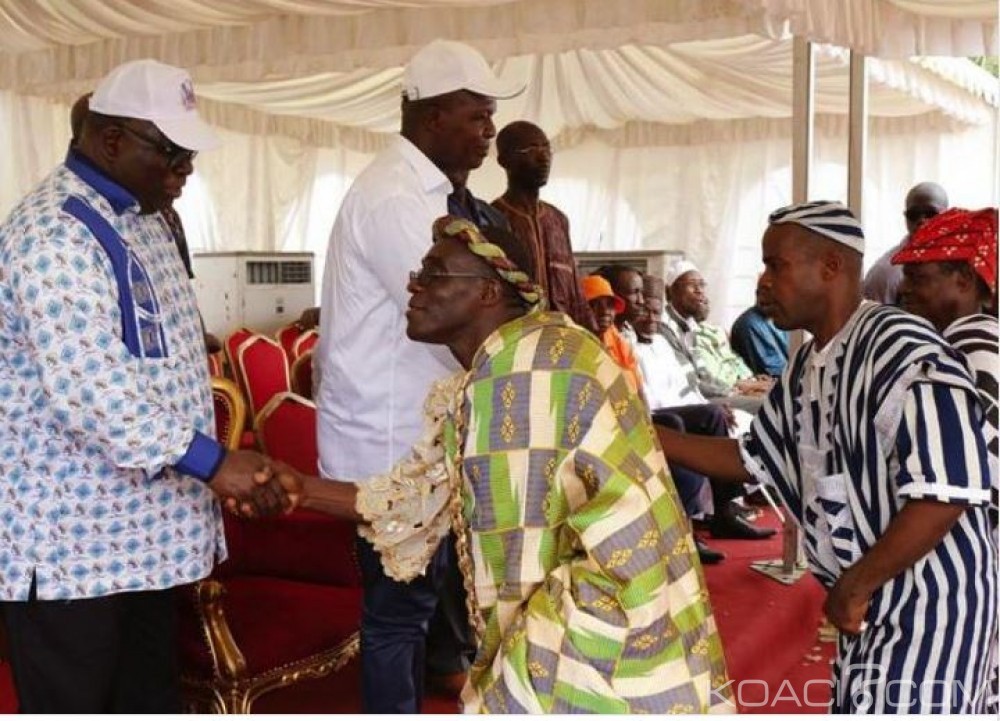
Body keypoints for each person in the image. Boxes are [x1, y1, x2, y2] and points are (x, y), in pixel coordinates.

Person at [277, 216, 734, 713]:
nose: (413, 284)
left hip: (604, 633)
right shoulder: (517, 361)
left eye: (434, 273)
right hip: (618, 615)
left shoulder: (523, 375)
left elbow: (523, 561)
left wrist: (511, 677)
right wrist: (299, 488)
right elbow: (416, 499)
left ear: (488, 293)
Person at [0, 59, 291, 713]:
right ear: (109, 140)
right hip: (74, 546)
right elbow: (91, 388)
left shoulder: (145, 216)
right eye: (171, 154)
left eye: (189, 157)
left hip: (143, 539)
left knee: (147, 698)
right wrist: (214, 461)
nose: (184, 172)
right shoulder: (55, 234)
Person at [657, 200, 998, 713]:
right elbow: (754, 457)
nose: (763, 282)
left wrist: (855, 586)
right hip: (876, 605)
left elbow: (945, 491)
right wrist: (646, 434)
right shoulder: (810, 361)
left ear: (831, 267)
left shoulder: (900, 348)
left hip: (931, 609)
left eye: (777, 265)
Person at [316, 38, 524, 713]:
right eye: (477, 117)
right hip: (389, 439)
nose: (489, 133)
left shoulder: (446, 194)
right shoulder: (393, 198)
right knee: (397, 615)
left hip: (425, 435)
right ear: (432, 116)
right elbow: (455, 313)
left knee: (427, 602)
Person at [603, 266, 774, 542]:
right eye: (641, 304)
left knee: (713, 416)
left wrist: (715, 407)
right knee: (676, 425)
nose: (649, 316)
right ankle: (684, 524)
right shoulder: (625, 340)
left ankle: (723, 513)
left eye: (655, 312)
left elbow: (688, 387)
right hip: (648, 413)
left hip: (669, 406)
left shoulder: (660, 343)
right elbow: (646, 395)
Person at [893, 206, 998, 527]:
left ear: (964, 280)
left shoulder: (969, 352)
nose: (904, 289)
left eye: (918, 278)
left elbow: (975, 476)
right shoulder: (975, 340)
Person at [493, 120, 594, 331]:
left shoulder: (558, 220)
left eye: (547, 148)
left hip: (562, 343)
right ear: (504, 161)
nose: (544, 156)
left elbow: (574, 289)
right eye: (531, 149)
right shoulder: (493, 218)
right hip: (516, 341)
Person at [863, 181, 948, 305]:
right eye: (913, 214)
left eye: (931, 214)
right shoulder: (886, 272)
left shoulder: (962, 266)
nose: (922, 220)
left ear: (947, 216)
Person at [580, 274, 643, 396]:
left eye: (609, 305)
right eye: (594, 305)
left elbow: (639, 385)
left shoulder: (615, 337)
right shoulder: (575, 341)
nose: (604, 311)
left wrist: (645, 414)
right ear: (582, 309)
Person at [729, 275, 789, 377]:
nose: (767, 295)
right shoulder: (749, 324)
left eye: (774, 290)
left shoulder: (778, 320)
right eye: (764, 290)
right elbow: (773, 371)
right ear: (757, 294)